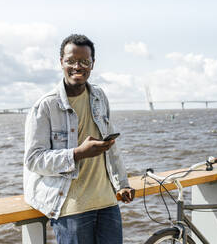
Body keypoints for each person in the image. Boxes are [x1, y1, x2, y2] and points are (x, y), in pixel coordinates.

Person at [23, 34, 134, 244]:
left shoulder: (99, 96)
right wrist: (76, 153)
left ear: (93, 64)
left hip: (107, 202)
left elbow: (112, 148)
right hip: (71, 208)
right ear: (61, 62)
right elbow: (33, 160)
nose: (78, 66)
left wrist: (123, 184)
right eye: (71, 61)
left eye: (85, 61)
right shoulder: (45, 106)